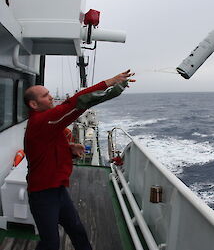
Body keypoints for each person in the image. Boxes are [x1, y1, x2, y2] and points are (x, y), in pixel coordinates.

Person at [24, 70, 135, 250]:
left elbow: (70, 116)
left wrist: (70, 150)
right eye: (46, 96)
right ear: (34, 104)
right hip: (42, 194)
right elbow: (74, 103)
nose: (51, 97)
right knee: (50, 244)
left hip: (58, 190)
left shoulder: (48, 126)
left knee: (77, 231)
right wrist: (109, 82)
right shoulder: (40, 122)